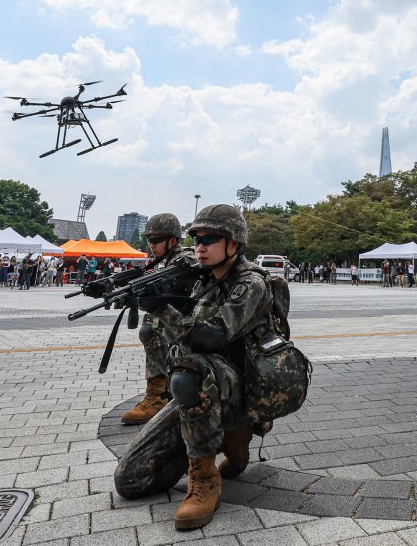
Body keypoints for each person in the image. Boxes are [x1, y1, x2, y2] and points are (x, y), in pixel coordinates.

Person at [114, 204, 306, 531]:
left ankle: (204, 477)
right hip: (206, 390)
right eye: (196, 238)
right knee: (131, 480)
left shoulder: (250, 283)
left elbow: (208, 337)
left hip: (241, 385)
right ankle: (228, 434)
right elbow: (176, 330)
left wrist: (163, 308)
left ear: (233, 244)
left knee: (189, 371)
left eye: (209, 239)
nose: (200, 246)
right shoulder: (203, 279)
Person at [115, 213, 192, 425]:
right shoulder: (163, 262)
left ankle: (158, 395)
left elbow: (182, 272)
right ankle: (162, 390)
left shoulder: (185, 258)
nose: (152, 245)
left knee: (150, 330)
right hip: (181, 320)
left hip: (196, 321)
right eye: (150, 240)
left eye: (156, 240)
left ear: (173, 240)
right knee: (150, 325)